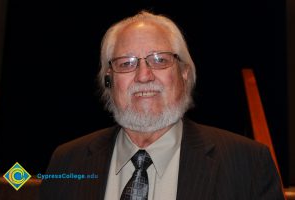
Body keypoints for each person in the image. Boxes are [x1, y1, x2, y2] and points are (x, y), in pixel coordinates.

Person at [40, 11, 285, 200]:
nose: (144, 75)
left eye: (159, 60)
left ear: (185, 74)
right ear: (109, 81)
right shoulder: (66, 162)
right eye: (126, 63)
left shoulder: (249, 164)